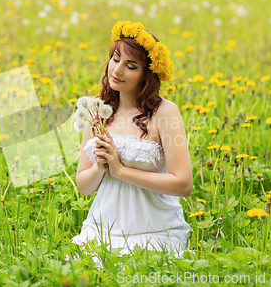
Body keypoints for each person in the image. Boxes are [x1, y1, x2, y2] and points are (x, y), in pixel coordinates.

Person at [67, 21, 193, 269]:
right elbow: (84, 185)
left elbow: (183, 184)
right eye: (116, 59)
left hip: (154, 229)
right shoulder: (97, 111)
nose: (118, 70)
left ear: (147, 76)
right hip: (103, 227)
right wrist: (100, 168)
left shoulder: (165, 113)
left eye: (131, 66)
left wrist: (121, 170)